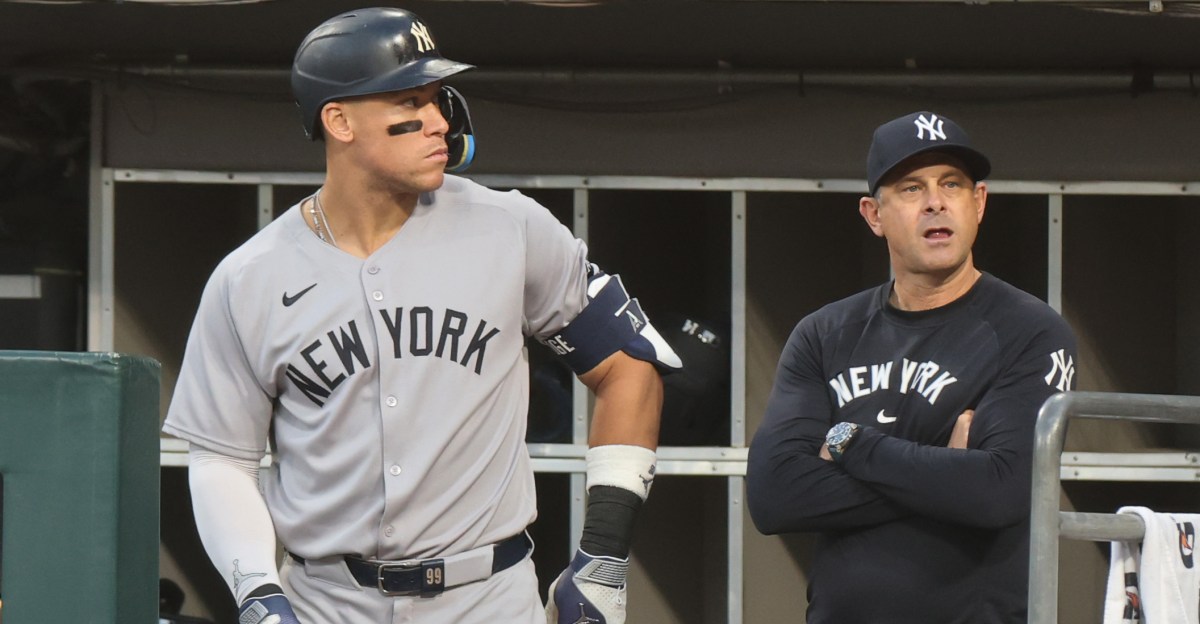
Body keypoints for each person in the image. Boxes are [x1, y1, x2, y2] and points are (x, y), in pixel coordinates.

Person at [162, 7, 679, 624]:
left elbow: (630, 364)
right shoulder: (249, 278)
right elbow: (223, 456)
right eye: (411, 102)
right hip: (327, 602)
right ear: (339, 121)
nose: (439, 122)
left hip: (487, 597)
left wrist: (603, 557)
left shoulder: (510, 228)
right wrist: (256, 592)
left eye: (440, 99)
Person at [745, 111, 1079, 623]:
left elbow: (1000, 491)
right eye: (910, 188)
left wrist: (849, 443)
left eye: (952, 184)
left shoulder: (1031, 331)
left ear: (979, 202)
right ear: (873, 215)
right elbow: (775, 498)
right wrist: (942, 471)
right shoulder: (823, 334)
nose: (936, 202)